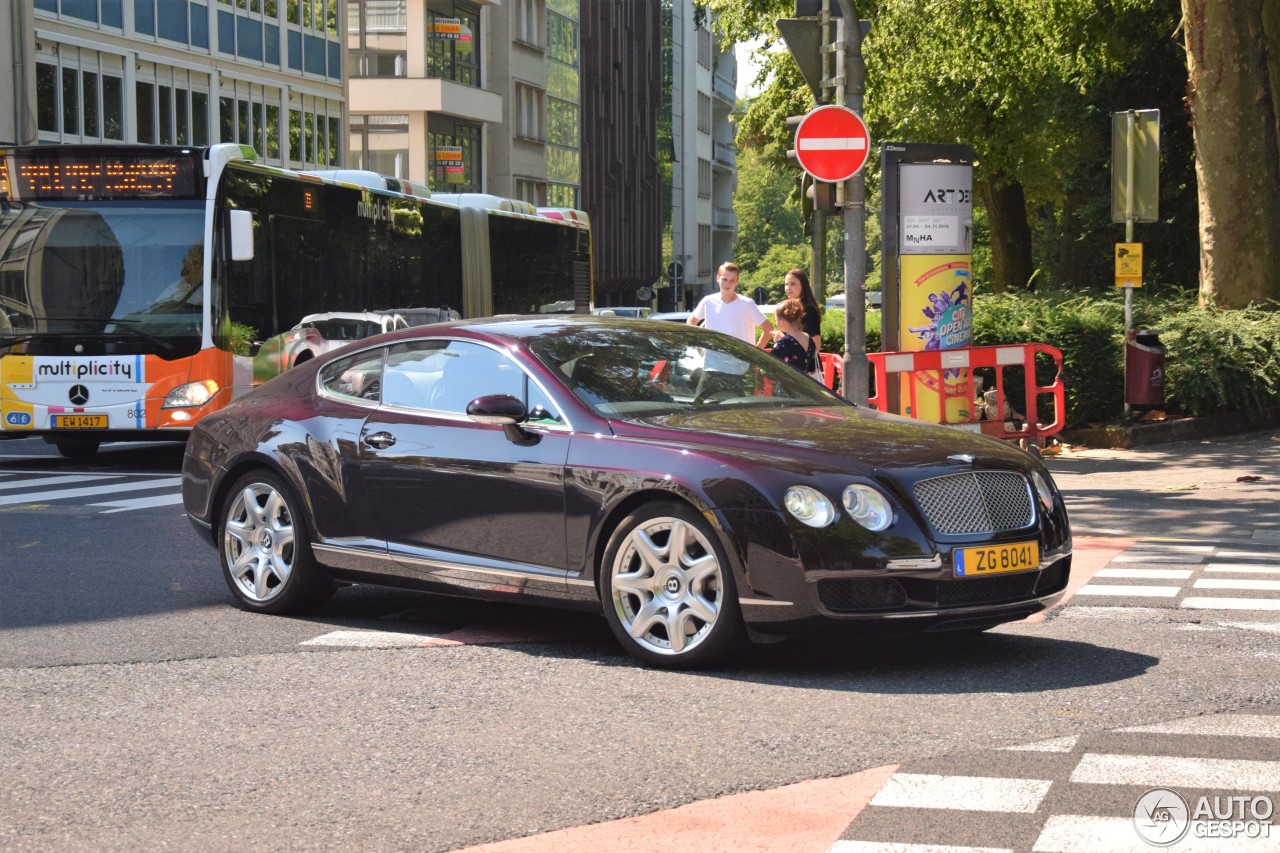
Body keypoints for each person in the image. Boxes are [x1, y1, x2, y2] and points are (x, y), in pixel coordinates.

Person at [688, 262, 774, 348]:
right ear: (717, 278)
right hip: (712, 358)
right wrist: (698, 344)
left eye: (732, 280)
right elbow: (691, 322)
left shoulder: (747, 304)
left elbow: (769, 328)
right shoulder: (707, 301)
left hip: (739, 359)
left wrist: (756, 353)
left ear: (737, 281)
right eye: (724, 279)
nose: (728, 284)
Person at [771, 298, 818, 377]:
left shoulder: (783, 343)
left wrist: (779, 342)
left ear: (781, 321)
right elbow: (812, 368)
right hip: (804, 386)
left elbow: (772, 370)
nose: (776, 323)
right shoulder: (809, 338)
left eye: (776, 320)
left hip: (786, 387)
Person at [781, 268, 822, 355]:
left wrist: (782, 338)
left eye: (792, 284)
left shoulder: (809, 310)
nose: (788, 288)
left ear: (803, 286)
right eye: (786, 284)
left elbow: (816, 345)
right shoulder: (786, 308)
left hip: (804, 365)